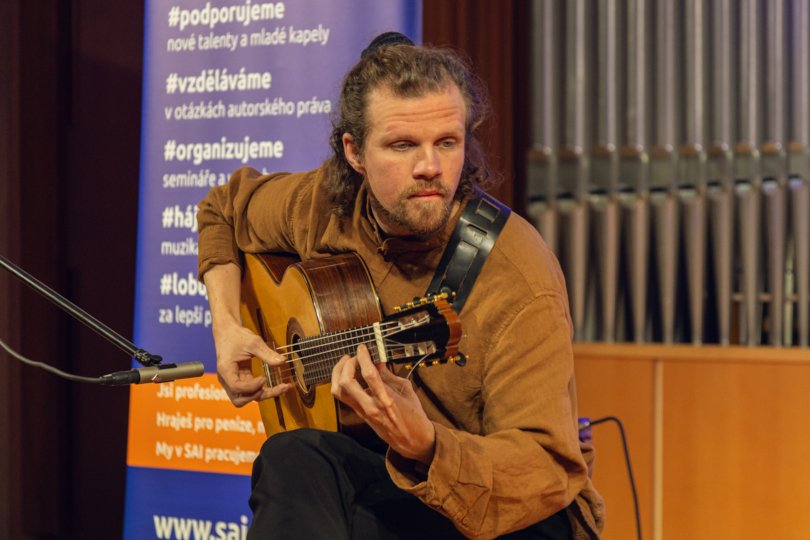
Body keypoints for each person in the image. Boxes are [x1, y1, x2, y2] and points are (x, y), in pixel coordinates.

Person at [197, 33, 604, 540]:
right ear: (354, 152)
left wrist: (429, 446)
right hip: (388, 470)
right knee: (291, 456)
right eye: (403, 145)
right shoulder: (324, 203)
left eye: (447, 142)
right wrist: (227, 327)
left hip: (511, 509)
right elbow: (223, 208)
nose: (430, 166)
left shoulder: (517, 272)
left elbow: (546, 470)